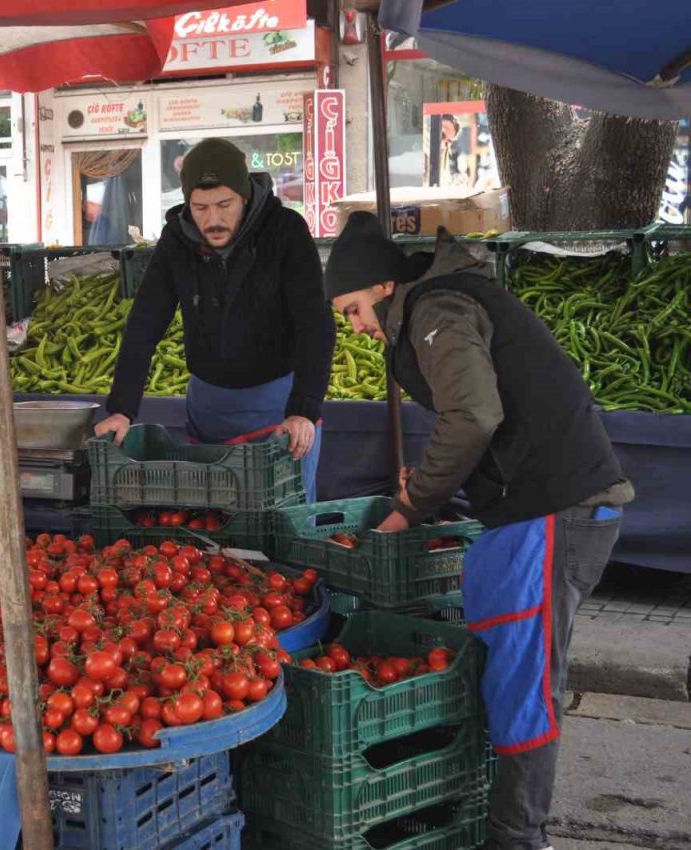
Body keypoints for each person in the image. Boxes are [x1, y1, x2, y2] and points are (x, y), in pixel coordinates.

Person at [324, 211, 634, 850]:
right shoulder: (442, 307)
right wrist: (431, 483)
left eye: (353, 310)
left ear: (383, 289)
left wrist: (411, 508)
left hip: (555, 508)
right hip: (535, 506)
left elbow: (473, 415)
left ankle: (516, 839)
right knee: (511, 672)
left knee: (523, 685)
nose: (356, 328)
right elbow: (480, 418)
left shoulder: (438, 311)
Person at [94, 137, 334, 501]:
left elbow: (315, 322)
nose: (213, 219)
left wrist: (303, 409)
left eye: (225, 205)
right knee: (215, 526)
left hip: (279, 410)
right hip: (208, 409)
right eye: (200, 207)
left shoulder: (285, 231)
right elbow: (144, 322)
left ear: (245, 196)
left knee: (284, 522)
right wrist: (121, 409)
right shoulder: (176, 238)